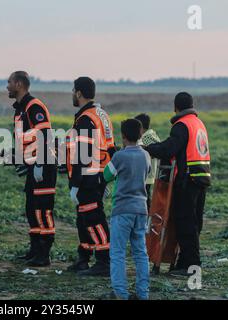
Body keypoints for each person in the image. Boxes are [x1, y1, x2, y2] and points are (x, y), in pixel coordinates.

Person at [145, 92, 211, 276]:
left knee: (185, 223)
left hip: (187, 181)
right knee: (194, 223)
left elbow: (169, 148)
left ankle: (190, 266)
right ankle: (184, 262)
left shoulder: (181, 125)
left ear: (176, 107)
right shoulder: (198, 123)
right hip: (201, 178)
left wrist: (149, 149)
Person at [65, 77, 116, 276]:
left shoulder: (86, 118)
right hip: (99, 175)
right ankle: (83, 258)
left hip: (89, 176)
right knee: (83, 218)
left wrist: (76, 183)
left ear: (78, 93)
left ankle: (104, 261)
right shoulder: (102, 114)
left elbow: (82, 153)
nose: (72, 94)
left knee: (93, 217)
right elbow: (111, 147)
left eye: (72, 90)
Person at [7, 71, 57, 267]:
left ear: (19, 84)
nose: (7, 86)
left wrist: (39, 163)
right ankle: (35, 250)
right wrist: (20, 159)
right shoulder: (20, 109)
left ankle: (44, 254)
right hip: (32, 166)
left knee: (43, 210)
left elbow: (45, 134)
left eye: (9, 82)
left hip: (43, 166)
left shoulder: (33, 106)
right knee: (31, 209)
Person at [104, 118, 151, 300]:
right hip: (141, 209)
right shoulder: (146, 155)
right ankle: (142, 293)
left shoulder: (120, 156)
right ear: (141, 135)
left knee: (117, 252)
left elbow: (107, 175)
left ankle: (120, 293)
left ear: (123, 136)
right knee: (140, 252)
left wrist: (114, 154)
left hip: (122, 209)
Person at [134, 113, 160, 210]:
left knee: (144, 199)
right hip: (151, 173)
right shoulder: (153, 135)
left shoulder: (145, 138)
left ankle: (146, 217)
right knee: (146, 196)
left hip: (146, 174)